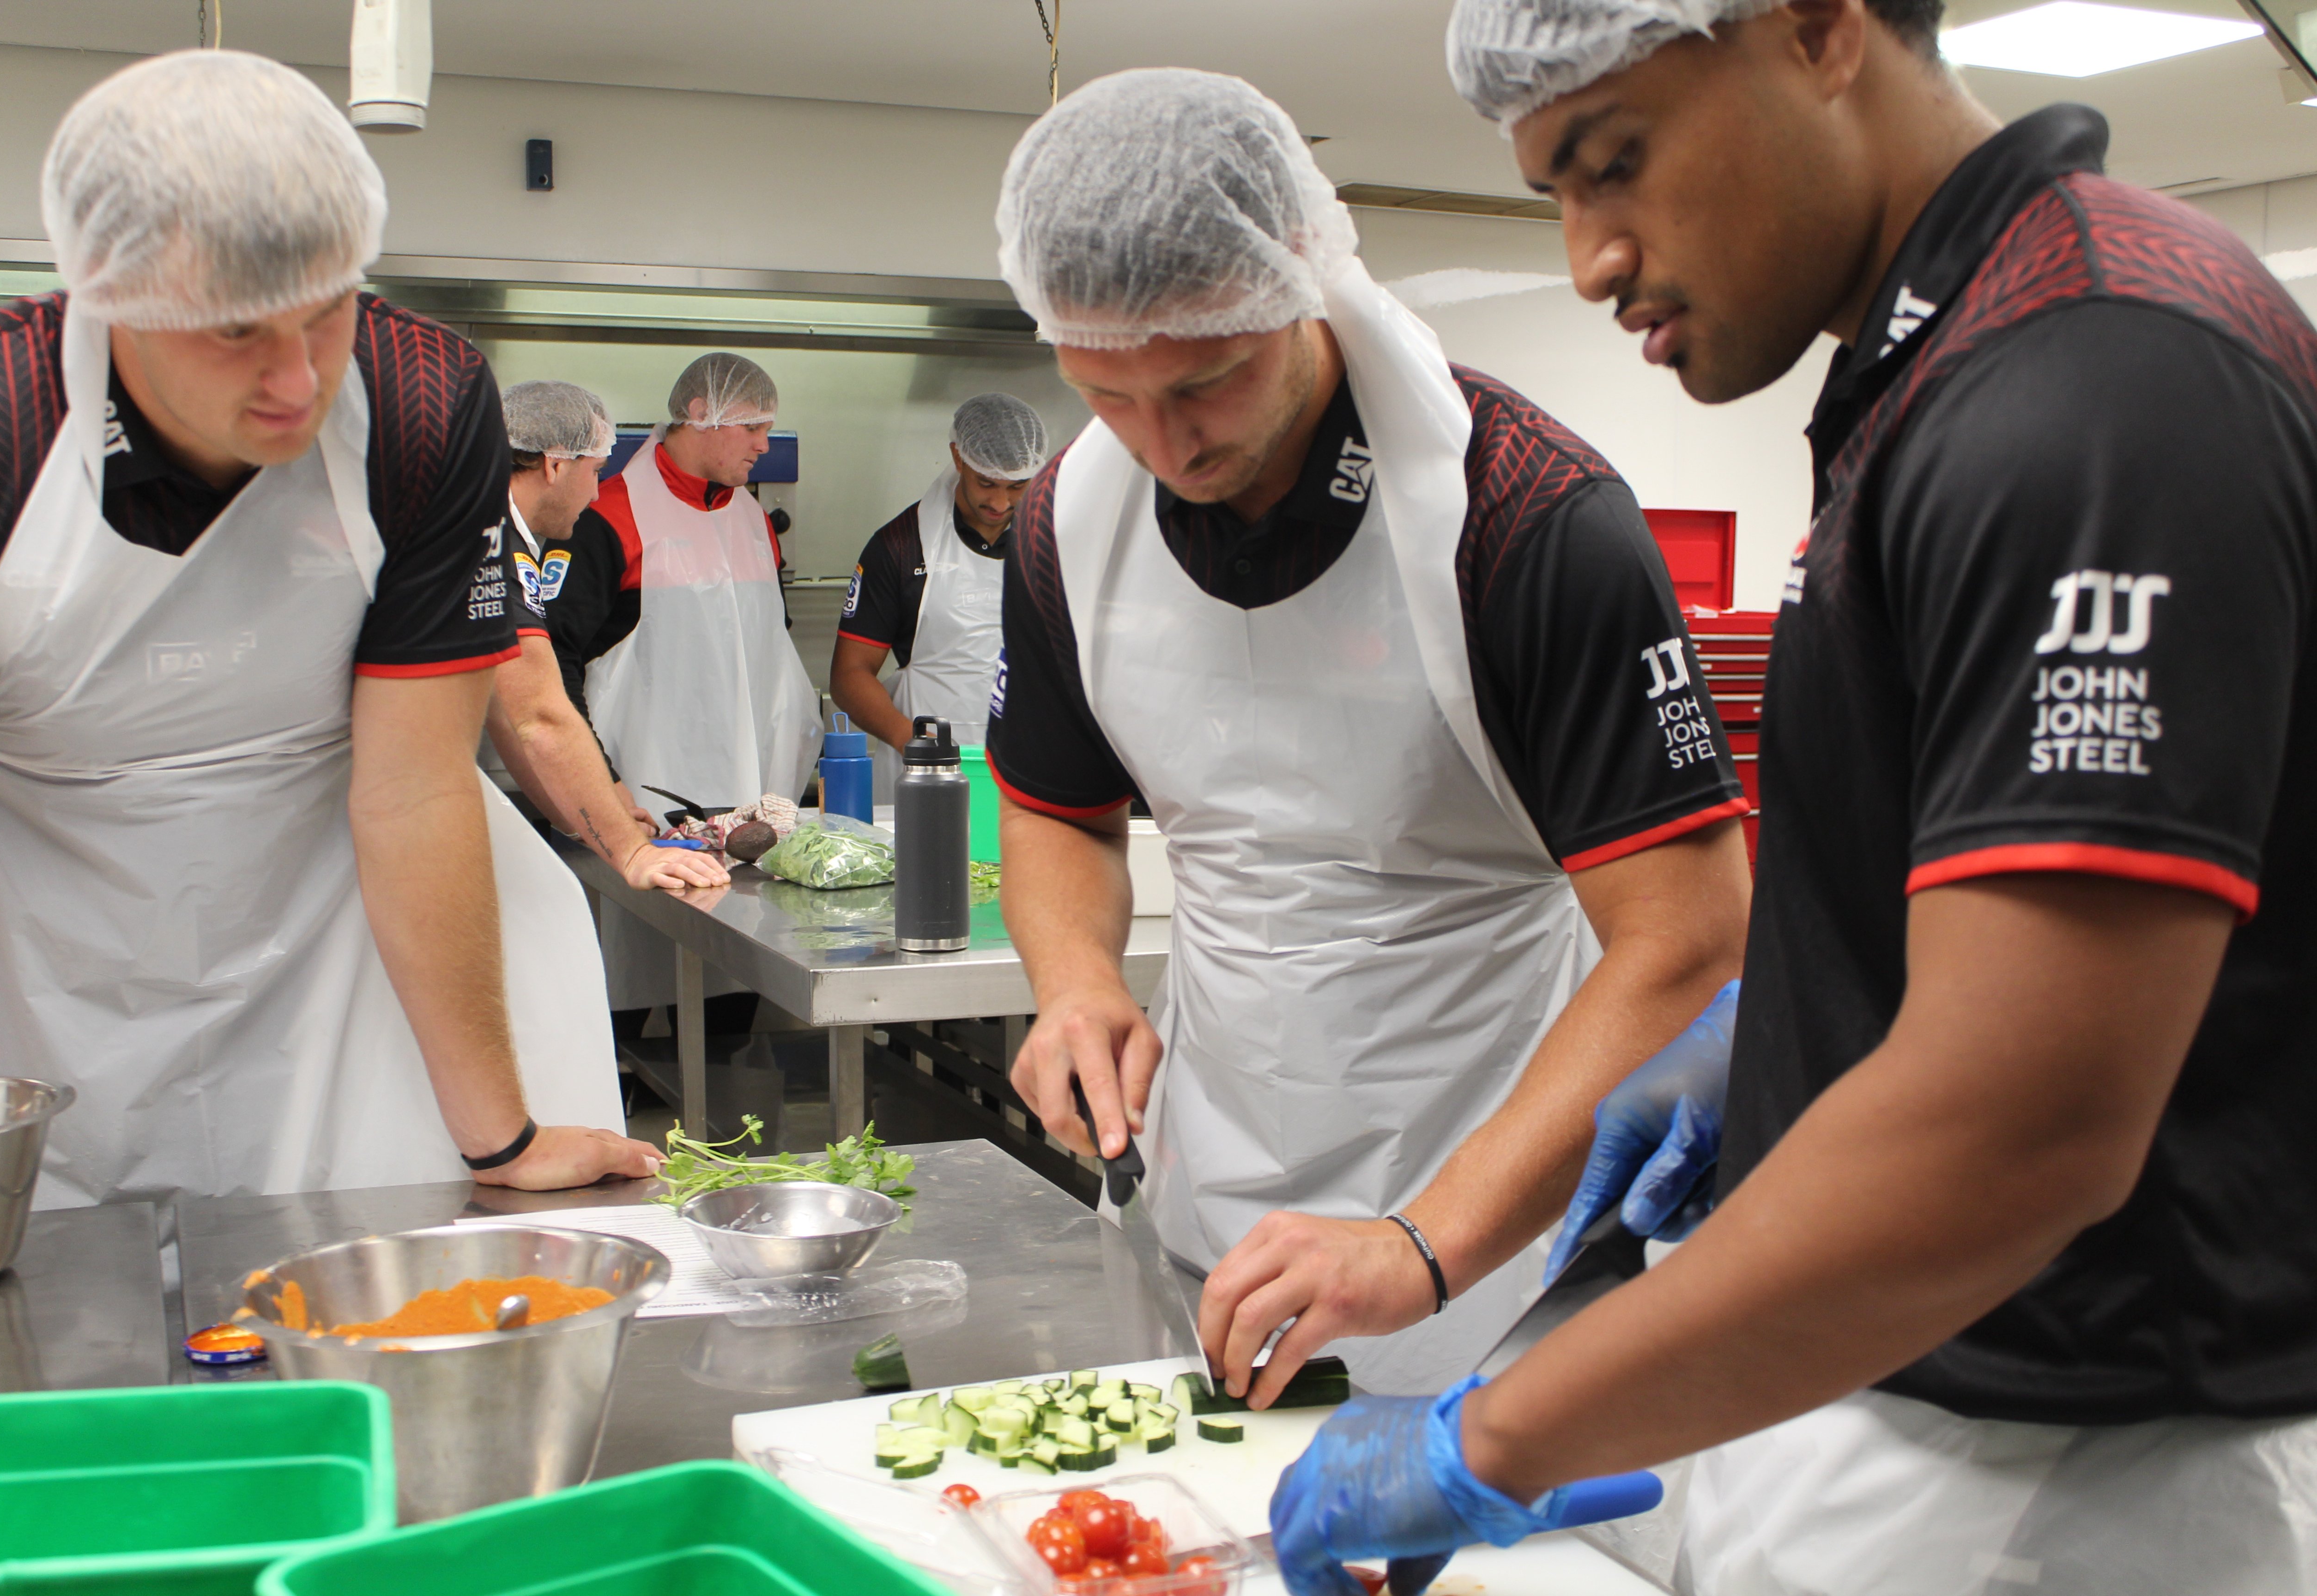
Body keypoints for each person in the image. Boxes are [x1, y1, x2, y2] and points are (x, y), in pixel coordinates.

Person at [1264, 0, 2317, 1590]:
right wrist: (1787, 1043)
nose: (1590, 258)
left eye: (1615, 161)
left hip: (2069, 1464)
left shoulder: (2097, 382)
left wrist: (1488, 1439)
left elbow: (2019, 1129)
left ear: (1819, 27)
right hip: (1913, 1398)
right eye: (1556, 193)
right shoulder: (1942, 369)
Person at [987, 68, 1751, 1398]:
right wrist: (1077, 981)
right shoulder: (1068, 523)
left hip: (1490, 1208)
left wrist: (1424, 1241)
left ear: (1300, 281)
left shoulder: (1526, 520)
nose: (1166, 446)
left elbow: (1688, 940)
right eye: (1107, 395)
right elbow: (1057, 807)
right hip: (1209, 1178)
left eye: (1207, 383)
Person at [0, 51, 659, 1207]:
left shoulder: (420, 404)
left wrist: (501, 1141)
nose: (296, 380)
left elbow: (412, 790)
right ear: (111, 301)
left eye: (325, 315)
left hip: (334, 918)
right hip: (17, 918)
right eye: (233, 333)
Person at [539, 351, 819, 1016]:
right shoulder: (609, 514)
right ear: (699, 414)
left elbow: (769, 652)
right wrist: (602, 782)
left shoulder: (753, 519)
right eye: (753, 426)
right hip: (644, 802)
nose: (765, 444)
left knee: (736, 990)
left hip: (748, 808)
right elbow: (556, 665)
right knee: (635, 983)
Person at [486, 380, 729, 897]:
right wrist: (632, 852)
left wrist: (590, 821)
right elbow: (539, 718)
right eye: (596, 471)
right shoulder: (491, 545)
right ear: (555, 466)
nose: (598, 494)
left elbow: (504, 711)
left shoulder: (484, 526)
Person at [830, 392, 1050, 784]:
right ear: (958, 458)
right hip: (924, 774)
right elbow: (850, 674)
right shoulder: (901, 547)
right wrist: (912, 742)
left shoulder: (1056, 545)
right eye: (987, 483)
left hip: (1032, 766)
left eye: (1017, 487)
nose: (1001, 502)